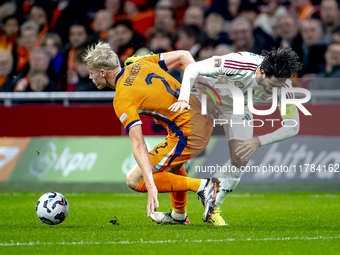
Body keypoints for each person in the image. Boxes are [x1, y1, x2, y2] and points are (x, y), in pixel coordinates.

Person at [83, 41, 219, 223]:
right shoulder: (140, 63)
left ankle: (204, 186)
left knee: (134, 180)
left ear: (102, 72)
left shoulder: (123, 98)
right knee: (173, 164)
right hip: (201, 117)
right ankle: (179, 215)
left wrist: (150, 185)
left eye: (91, 73)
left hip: (189, 133)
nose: (90, 77)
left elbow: (139, 144)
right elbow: (184, 56)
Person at [166, 47, 302, 226]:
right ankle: (178, 214)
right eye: (272, 86)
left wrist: (259, 141)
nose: (275, 90)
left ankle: (213, 208)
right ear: (262, 72)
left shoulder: (284, 88)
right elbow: (193, 69)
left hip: (237, 107)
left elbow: (293, 126)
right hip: (206, 95)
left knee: (240, 157)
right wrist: (184, 99)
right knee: (181, 152)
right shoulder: (240, 63)